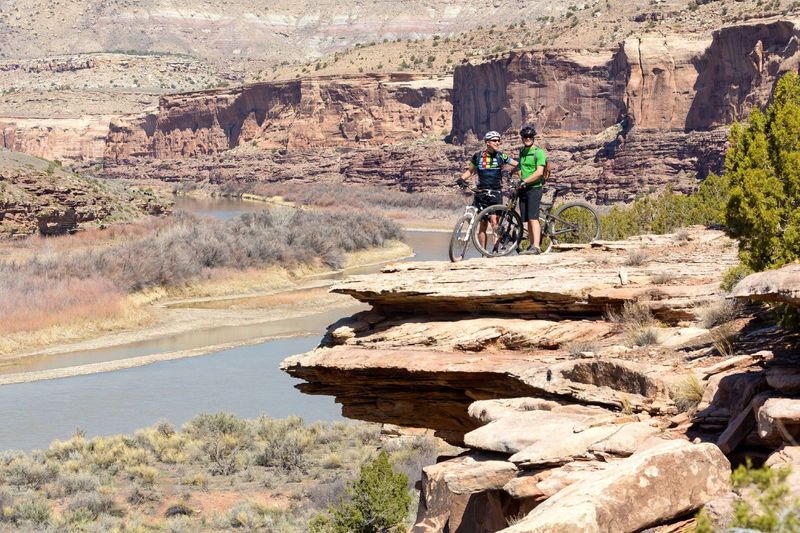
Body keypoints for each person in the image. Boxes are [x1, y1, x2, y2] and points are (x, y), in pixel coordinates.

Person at [457, 131, 518, 250]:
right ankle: (483, 253)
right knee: (483, 224)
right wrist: (461, 179)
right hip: (481, 193)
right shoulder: (478, 156)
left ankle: (495, 250)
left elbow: (517, 165)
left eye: (498, 140)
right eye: (494, 140)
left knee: (495, 222)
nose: (497, 142)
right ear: (487, 142)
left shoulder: (501, 156)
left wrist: (517, 175)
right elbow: (470, 170)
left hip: (495, 193)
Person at [513, 125, 548, 254]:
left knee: (533, 218)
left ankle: (536, 247)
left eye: (529, 137)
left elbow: (539, 172)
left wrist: (525, 181)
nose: (527, 139)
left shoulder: (538, 152)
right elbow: (521, 168)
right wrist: (516, 176)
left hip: (534, 188)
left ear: (533, 138)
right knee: (527, 219)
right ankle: (531, 245)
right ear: (522, 138)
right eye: (525, 137)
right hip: (524, 188)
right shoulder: (522, 152)